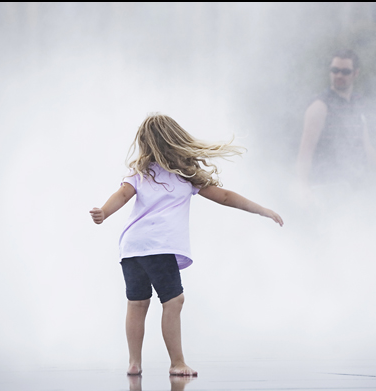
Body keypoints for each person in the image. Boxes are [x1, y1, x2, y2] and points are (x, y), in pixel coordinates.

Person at [89, 113, 283, 377]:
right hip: (158, 246)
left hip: (132, 248)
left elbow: (122, 194)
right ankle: (177, 362)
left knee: (137, 303)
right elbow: (224, 197)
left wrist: (104, 212)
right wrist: (260, 209)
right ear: (175, 140)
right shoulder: (185, 175)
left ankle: (134, 363)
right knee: (174, 300)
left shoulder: (140, 172)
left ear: (146, 142)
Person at [296, 49, 376, 197]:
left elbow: (366, 145)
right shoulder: (320, 106)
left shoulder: (357, 103)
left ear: (355, 73)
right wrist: (302, 186)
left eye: (345, 71)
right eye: (335, 70)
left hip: (355, 187)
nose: (339, 75)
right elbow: (305, 151)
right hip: (326, 188)